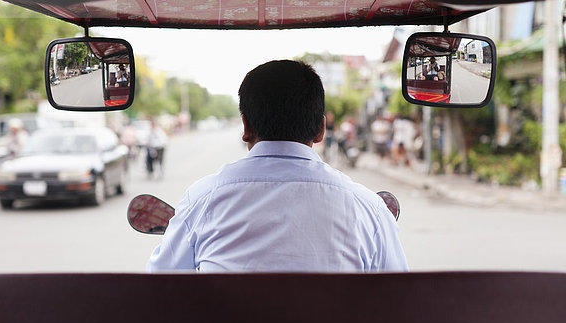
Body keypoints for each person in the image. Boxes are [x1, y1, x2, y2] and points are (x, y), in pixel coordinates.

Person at [147, 60, 408, 273]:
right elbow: (398, 304)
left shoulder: (202, 199)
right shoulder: (369, 209)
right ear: (321, 129)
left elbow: (160, 290)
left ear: (246, 127)